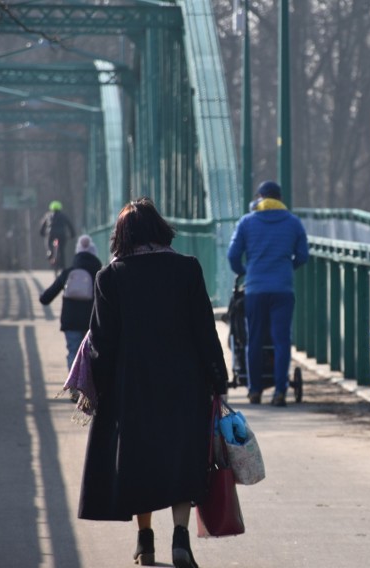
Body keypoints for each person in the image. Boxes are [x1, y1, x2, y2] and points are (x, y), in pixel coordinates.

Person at [79, 198, 228, 568]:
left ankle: (145, 543)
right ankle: (180, 539)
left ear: (120, 236)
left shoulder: (109, 277)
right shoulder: (187, 269)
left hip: (133, 389)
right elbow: (204, 331)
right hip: (184, 385)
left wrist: (95, 388)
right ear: (161, 229)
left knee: (139, 462)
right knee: (183, 460)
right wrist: (218, 378)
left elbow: (101, 341)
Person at [227, 181, 309, 406]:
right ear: (280, 198)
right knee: (282, 340)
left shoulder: (247, 222)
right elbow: (302, 255)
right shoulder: (293, 223)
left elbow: (233, 255)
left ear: (260, 197)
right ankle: (280, 391)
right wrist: (286, 268)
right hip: (282, 289)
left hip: (255, 289)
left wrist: (246, 271)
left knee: (253, 339)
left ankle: (254, 391)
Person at [38, 234, 103, 379]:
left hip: (71, 321)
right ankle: (88, 387)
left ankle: (74, 384)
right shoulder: (99, 274)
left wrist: (43, 298)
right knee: (91, 354)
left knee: (73, 351)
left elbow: (47, 296)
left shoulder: (68, 273)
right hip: (91, 322)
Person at [39, 200, 76, 269]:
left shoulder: (48, 215)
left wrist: (42, 233)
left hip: (51, 234)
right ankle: (63, 266)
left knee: (48, 242)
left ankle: (50, 251)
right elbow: (69, 225)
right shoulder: (63, 216)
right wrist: (72, 234)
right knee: (61, 250)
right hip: (62, 235)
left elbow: (43, 226)